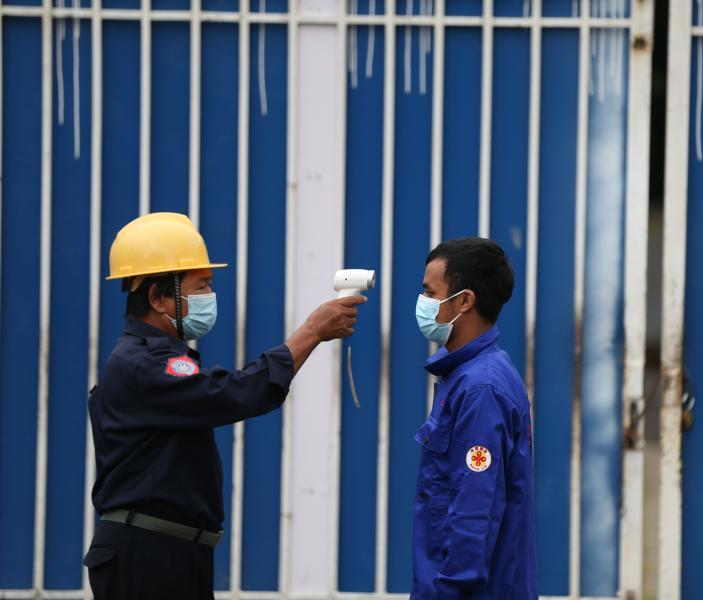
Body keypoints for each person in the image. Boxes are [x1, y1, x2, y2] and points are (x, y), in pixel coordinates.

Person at [82, 212, 365, 599]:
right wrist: (311, 331)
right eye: (201, 286)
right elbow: (234, 393)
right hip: (147, 555)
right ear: (157, 297)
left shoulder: (151, 359)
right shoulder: (142, 363)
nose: (209, 296)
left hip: (170, 552)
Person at [411, 237, 538, 599]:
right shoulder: (468, 376)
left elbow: (474, 508)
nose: (423, 303)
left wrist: (448, 591)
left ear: (464, 300)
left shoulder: (481, 388)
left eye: (430, 293)